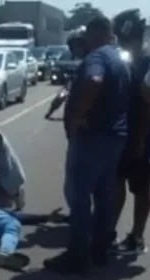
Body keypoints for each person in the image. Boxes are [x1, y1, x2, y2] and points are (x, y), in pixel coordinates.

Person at [43, 16, 131, 274]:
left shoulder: (97, 58)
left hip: (93, 139)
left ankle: (78, 255)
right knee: (104, 196)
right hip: (114, 139)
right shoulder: (118, 58)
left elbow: (94, 81)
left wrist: (77, 116)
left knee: (79, 198)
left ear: (94, 34)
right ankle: (100, 249)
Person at [111, 8, 150, 255]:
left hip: (142, 136)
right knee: (116, 183)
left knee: (142, 187)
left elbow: (147, 106)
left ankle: (137, 236)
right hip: (126, 133)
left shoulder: (146, 62)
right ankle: (109, 230)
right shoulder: (129, 59)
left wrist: (140, 140)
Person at [44, 26, 86, 119]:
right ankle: (50, 111)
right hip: (74, 80)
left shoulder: (94, 58)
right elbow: (65, 67)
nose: (77, 48)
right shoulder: (71, 57)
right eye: (74, 45)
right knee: (62, 93)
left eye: (80, 44)